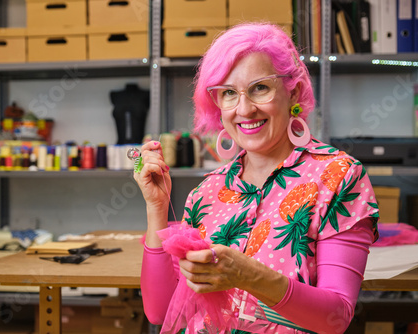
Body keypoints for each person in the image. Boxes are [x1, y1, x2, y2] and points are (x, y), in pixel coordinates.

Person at [133, 22, 379, 334]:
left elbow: (336, 318)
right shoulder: (206, 192)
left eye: (260, 87)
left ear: (293, 89)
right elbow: (162, 311)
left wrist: (251, 276)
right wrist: (156, 209)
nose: (245, 109)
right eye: (228, 93)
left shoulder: (339, 177)